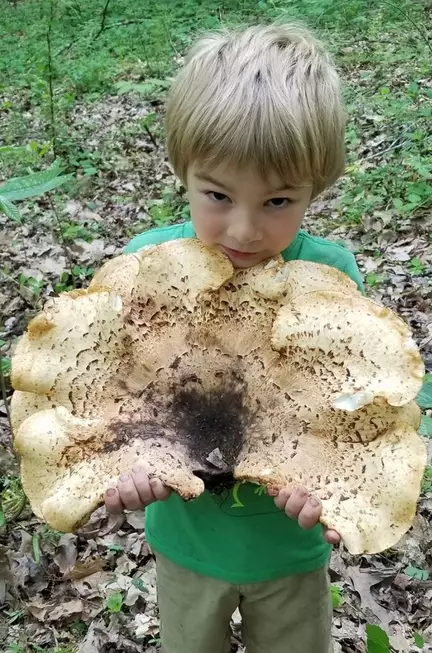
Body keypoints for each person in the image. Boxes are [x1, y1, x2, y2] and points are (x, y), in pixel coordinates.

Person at [102, 22, 358, 653]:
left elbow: (357, 404)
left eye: (277, 201)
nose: (243, 230)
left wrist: (335, 482)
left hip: (289, 548)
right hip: (187, 546)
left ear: (314, 190)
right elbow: (109, 395)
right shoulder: (145, 267)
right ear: (182, 172)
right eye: (217, 195)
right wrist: (127, 467)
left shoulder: (327, 277)